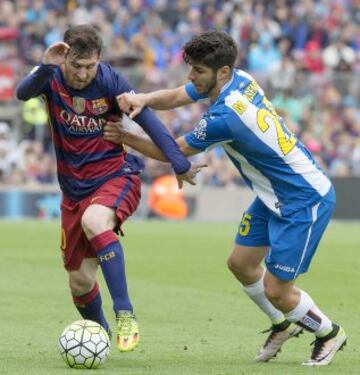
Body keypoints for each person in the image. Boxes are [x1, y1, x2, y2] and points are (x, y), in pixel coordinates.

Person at [104, 30, 347, 366]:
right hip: (271, 194)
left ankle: (328, 333)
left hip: (304, 198)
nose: (192, 77)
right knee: (241, 264)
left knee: (278, 289)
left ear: (222, 73)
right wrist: (144, 98)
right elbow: (178, 95)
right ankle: (281, 325)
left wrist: (126, 137)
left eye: (198, 72)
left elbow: (174, 150)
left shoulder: (226, 117)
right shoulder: (239, 78)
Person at [16, 24, 204, 353]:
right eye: (75, 66)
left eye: (89, 66)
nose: (82, 74)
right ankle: (99, 337)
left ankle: (125, 313)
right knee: (80, 282)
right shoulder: (51, 74)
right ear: (64, 58)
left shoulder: (112, 82)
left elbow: (149, 122)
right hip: (73, 191)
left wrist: (179, 162)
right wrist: (46, 65)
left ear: (99, 60)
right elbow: (21, 93)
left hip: (115, 175)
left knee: (95, 222)